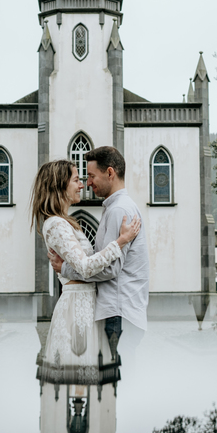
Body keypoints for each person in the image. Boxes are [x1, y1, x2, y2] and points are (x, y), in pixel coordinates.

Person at [31, 159, 141, 382]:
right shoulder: (56, 224)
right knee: (78, 375)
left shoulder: (65, 223)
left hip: (87, 304)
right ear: (59, 186)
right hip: (76, 307)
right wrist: (120, 241)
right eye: (76, 180)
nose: (81, 185)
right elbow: (86, 267)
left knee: (90, 375)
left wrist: (66, 267)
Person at [50, 146, 149, 364]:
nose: (88, 183)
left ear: (110, 173)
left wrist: (64, 268)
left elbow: (110, 269)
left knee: (116, 387)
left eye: (92, 176)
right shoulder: (118, 207)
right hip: (121, 313)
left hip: (117, 313)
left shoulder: (118, 211)